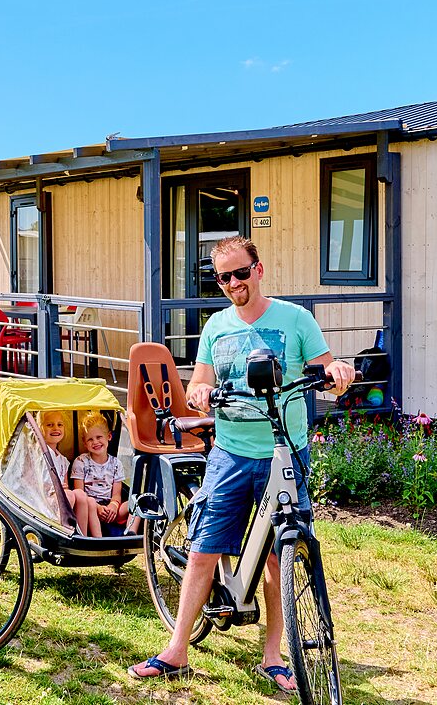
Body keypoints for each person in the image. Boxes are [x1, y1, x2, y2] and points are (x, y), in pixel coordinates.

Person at [128, 236, 354, 692]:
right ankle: (177, 649)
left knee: (279, 555)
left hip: (284, 450)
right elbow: (200, 383)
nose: (234, 283)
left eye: (241, 273)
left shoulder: (296, 319)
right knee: (204, 549)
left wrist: (340, 373)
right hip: (230, 450)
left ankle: (274, 656)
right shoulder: (215, 326)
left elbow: (327, 371)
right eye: (223, 277)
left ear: (259, 270)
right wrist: (199, 393)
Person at [38, 410, 99, 537]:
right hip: (43, 498)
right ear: (40, 429)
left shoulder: (63, 460)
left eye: (60, 425)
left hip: (60, 497)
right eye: (50, 425)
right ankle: (61, 532)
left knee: (81, 494)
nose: (56, 428)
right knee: (70, 495)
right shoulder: (39, 453)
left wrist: (63, 488)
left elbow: (65, 484)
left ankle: (82, 536)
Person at [70, 411, 128, 537]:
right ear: (85, 443)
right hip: (91, 507)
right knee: (89, 501)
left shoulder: (116, 464)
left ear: (109, 437)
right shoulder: (81, 462)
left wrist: (113, 506)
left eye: (99, 437)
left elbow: (117, 495)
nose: (95, 442)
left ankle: (131, 534)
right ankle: (98, 539)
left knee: (133, 503)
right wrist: (98, 508)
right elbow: (80, 494)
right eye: (90, 439)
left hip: (111, 507)